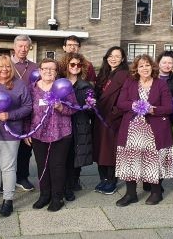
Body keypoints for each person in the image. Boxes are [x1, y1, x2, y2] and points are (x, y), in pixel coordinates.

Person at [114, 54, 173, 206]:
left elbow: (169, 108)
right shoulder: (130, 82)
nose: (144, 68)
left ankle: (156, 192)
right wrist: (133, 105)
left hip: (154, 128)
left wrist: (152, 110)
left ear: (152, 67)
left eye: (147, 65)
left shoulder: (160, 84)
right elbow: (121, 103)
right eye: (141, 66)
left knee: (152, 159)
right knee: (130, 159)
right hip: (133, 128)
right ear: (136, 69)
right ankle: (130, 194)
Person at [0, 55, 32, 217]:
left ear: (11, 68)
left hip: (11, 131)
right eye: (0, 66)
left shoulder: (19, 85)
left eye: (7, 66)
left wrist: (10, 115)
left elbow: (28, 107)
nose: (4, 69)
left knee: (8, 167)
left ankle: (7, 201)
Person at [24, 58, 77, 212]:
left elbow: (73, 109)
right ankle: (44, 195)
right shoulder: (31, 89)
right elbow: (28, 111)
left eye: (52, 69)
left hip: (61, 132)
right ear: (39, 71)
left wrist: (61, 107)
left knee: (57, 166)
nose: (48, 71)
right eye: (45, 68)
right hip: (38, 132)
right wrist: (27, 131)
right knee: (42, 166)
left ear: (56, 72)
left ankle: (57, 198)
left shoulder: (64, 87)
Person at [93, 46, 129, 195]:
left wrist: (115, 113)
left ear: (122, 59)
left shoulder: (125, 75)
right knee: (100, 149)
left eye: (117, 56)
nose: (113, 59)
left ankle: (112, 180)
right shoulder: (103, 74)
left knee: (111, 151)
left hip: (113, 119)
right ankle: (103, 179)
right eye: (111, 56)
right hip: (98, 117)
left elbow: (126, 96)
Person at [142, 50, 173, 193]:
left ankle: (158, 180)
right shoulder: (150, 77)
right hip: (147, 118)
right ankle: (146, 178)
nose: (167, 65)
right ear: (158, 63)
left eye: (170, 62)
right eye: (164, 62)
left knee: (161, 151)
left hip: (166, 119)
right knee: (147, 150)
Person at [59, 52, 94, 201]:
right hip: (61, 124)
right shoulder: (59, 83)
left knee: (75, 157)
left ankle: (70, 186)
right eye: (72, 64)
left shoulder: (86, 86)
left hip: (79, 125)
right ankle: (60, 186)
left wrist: (92, 105)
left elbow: (91, 110)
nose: (75, 67)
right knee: (62, 157)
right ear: (67, 65)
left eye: (78, 65)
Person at [11, 35, 38, 192]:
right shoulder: (6, 65)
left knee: (26, 147)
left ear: (29, 48)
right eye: (20, 46)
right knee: (7, 147)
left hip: (30, 111)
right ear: (14, 47)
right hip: (10, 110)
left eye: (25, 46)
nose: (22, 49)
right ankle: (5, 178)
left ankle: (22, 177)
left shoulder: (35, 67)